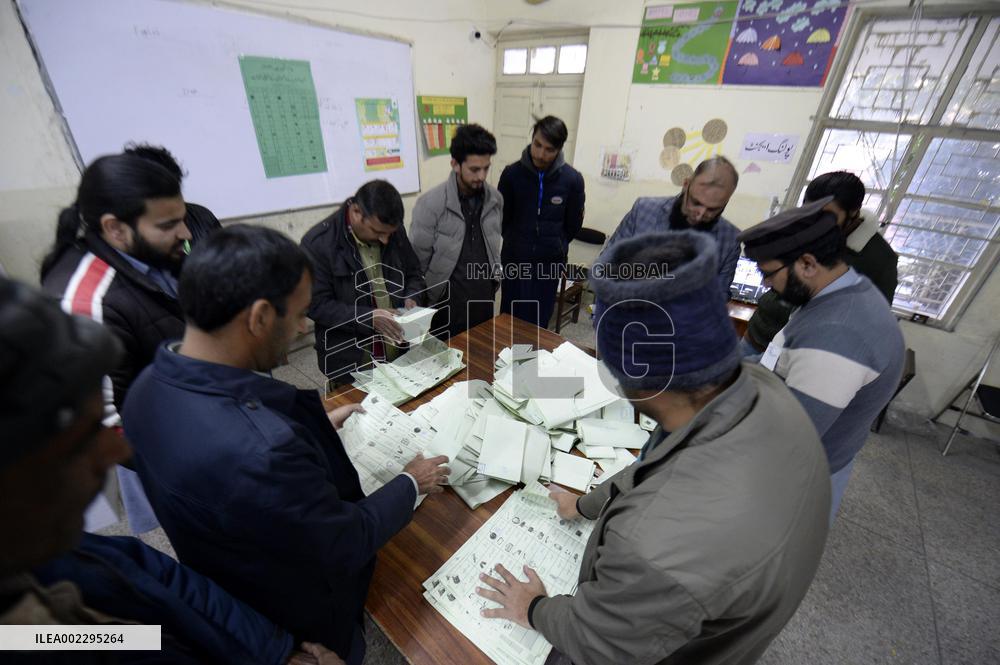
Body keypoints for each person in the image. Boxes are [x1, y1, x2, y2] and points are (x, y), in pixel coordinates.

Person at [474, 230, 830, 665]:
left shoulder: (650, 545)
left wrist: (532, 608)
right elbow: (661, 457)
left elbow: (598, 641)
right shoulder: (759, 386)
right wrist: (586, 504)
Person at [121, 225, 449, 665]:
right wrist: (412, 481)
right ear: (257, 317)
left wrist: (307, 431)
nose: (301, 328)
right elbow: (343, 542)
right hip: (298, 614)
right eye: (297, 314)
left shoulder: (146, 386)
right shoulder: (262, 451)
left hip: (225, 575)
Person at [0, 277, 343, 664]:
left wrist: (274, 652)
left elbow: (158, 585)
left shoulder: (46, 550)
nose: (119, 450)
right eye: (81, 441)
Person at [40, 152, 192, 534]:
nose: (186, 233)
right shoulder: (86, 302)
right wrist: (203, 458)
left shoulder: (149, 255)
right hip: (172, 455)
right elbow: (107, 425)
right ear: (115, 228)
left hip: (186, 421)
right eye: (169, 224)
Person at [738, 197, 905, 521]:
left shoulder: (837, 337)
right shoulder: (837, 292)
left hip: (794, 482)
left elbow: (788, 443)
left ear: (808, 264)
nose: (765, 284)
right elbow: (780, 362)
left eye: (768, 273)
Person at [743, 171, 899, 353]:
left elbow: (872, 320)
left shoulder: (879, 259)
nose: (814, 221)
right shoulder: (800, 229)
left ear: (853, 213)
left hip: (800, 351)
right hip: (757, 334)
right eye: (809, 211)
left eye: (825, 215)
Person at [300, 180, 426, 386]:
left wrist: (411, 298)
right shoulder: (319, 244)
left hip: (397, 351)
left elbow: (413, 272)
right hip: (350, 361)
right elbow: (316, 306)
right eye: (377, 232)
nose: (385, 240)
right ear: (356, 212)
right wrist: (368, 318)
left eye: (389, 233)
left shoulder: (391, 230)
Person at [600, 156, 741, 302]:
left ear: (726, 202)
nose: (700, 215)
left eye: (712, 210)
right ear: (686, 184)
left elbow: (720, 296)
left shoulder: (730, 240)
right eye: (695, 202)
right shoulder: (643, 210)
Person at [410, 124, 503, 339]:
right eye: (474, 169)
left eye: (486, 168)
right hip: (446, 305)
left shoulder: (496, 200)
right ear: (455, 164)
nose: (481, 176)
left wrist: (494, 279)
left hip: (483, 301)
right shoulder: (430, 204)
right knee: (448, 364)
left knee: (482, 357)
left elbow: (493, 244)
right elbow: (416, 264)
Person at [498, 115, 585, 328]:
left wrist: (557, 244)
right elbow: (501, 217)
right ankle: (504, 361)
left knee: (537, 324)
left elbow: (573, 224)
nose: (540, 154)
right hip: (515, 261)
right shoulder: (512, 174)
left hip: (548, 265)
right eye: (537, 145)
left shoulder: (572, 180)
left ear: (559, 149)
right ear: (532, 139)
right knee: (509, 320)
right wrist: (514, 240)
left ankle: (531, 362)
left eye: (549, 149)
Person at [124, 142, 223, 246]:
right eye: (166, 225)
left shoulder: (202, 218)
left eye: (172, 190)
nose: (186, 234)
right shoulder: (122, 246)